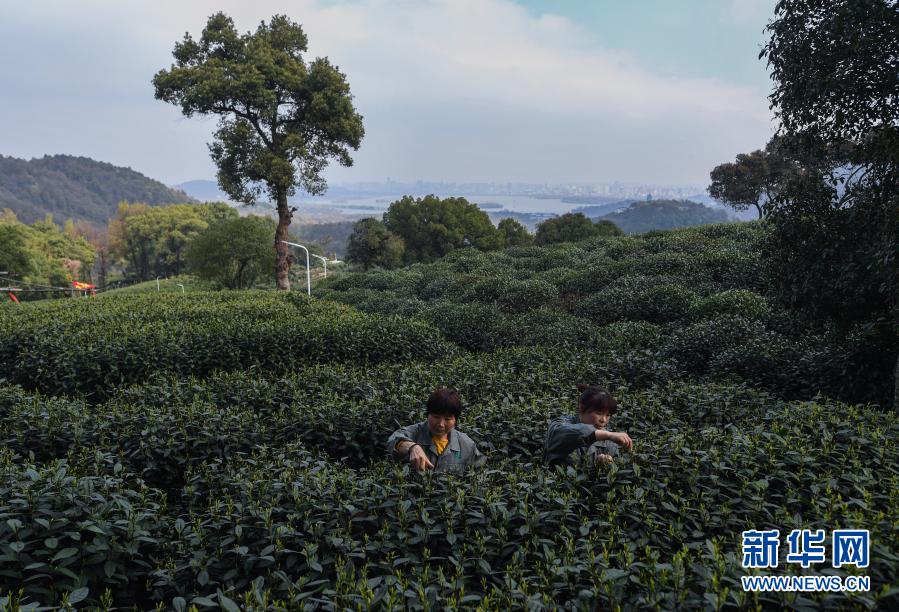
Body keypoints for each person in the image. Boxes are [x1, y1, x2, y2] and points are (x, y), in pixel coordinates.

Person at [387, 387, 486, 473]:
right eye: (436, 417)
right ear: (428, 415)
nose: (441, 424)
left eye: (447, 419)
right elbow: (394, 440)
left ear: (455, 420)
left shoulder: (466, 445)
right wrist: (412, 447)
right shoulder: (413, 433)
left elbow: (480, 473)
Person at [543, 384, 633, 468]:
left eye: (608, 415)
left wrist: (606, 464)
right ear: (582, 408)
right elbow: (563, 433)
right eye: (599, 413)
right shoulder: (560, 424)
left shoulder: (609, 441)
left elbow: (615, 471)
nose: (603, 420)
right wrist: (608, 435)